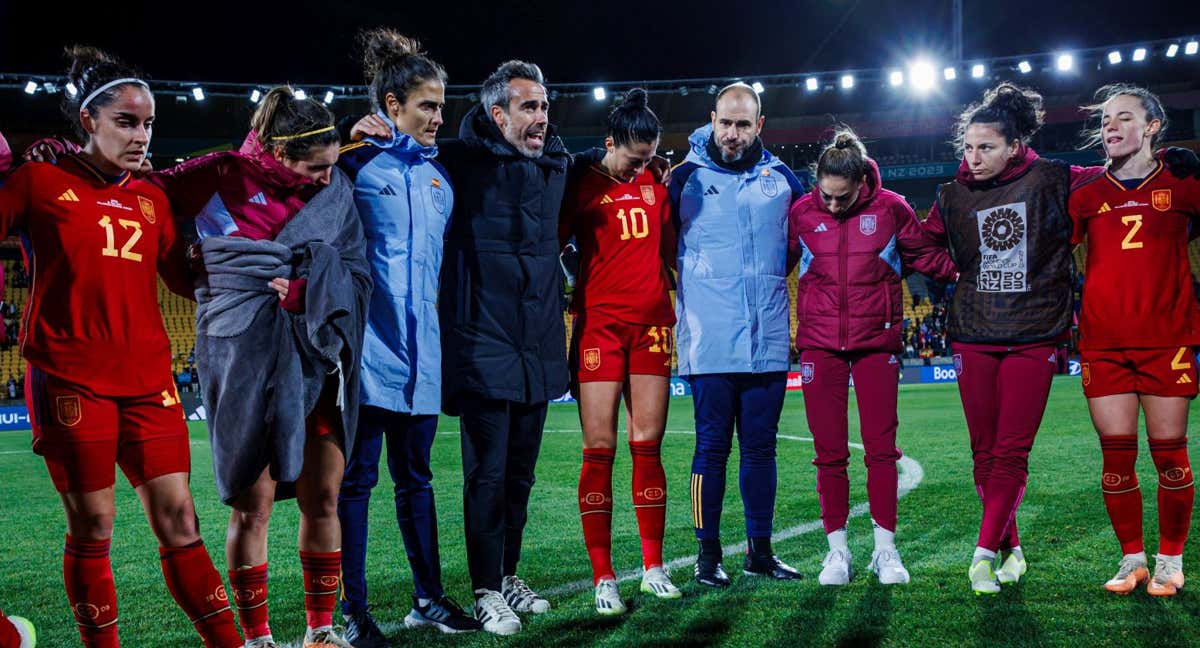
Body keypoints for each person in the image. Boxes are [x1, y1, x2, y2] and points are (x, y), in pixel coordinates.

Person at [0, 46, 241, 647]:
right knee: (94, 526)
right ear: (89, 120)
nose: (142, 135)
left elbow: (182, 279)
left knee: (181, 520)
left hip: (149, 380)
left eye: (149, 123)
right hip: (70, 377)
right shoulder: (38, 181)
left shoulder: (153, 197)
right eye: (126, 122)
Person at [153, 86, 371, 648]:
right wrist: (185, 266)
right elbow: (138, 202)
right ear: (276, 151)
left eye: (332, 165)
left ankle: (321, 631)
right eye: (314, 166)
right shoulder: (217, 173)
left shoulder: (337, 188)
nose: (326, 178)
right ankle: (257, 638)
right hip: (241, 352)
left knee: (326, 496)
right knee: (255, 505)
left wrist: (313, 291)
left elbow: (356, 271)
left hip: (317, 357)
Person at [923, 83, 1102, 595]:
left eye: (986, 148)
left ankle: (981, 555)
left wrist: (1166, 161)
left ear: (1015, 146)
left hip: (1035, 332)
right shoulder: (952, 195)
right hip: (974, 333)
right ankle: (1012, 550)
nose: (973, 158)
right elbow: (921, 246)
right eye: (968, 148)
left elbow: (1120, 181)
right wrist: (954, 270)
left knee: (1011, 450)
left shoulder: (1057, 178)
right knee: (984, 451)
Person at [334, 28, 480, 643]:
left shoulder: (440, 180)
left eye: (442, 106)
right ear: (392, 105)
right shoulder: (354, 165)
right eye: (427, 105)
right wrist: (346, 137)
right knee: (357, 484)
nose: (439, 117)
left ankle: (428, 598)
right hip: (366, 356)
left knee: (416, 482)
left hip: (423, 358)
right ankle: (351, 610)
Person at [787, 128, 957, 586]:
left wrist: (966, 271)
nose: (833, 205)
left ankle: (885, 550)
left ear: (863, 181)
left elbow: (924, 256)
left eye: (842, 197)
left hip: (875, 343)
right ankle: (836, 553)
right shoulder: (802, 212)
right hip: (819, 345)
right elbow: (773, 264)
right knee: (829, 454)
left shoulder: (892, 209)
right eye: (826, 195)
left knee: (881, 451)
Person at [669, 82, 806, 587]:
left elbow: (798, 246)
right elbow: (661, 250)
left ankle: (760, 552)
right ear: (712, 119)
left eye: (743, 124)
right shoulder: (684, 178)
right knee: (710, 450)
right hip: (709, 342)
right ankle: (707, 558)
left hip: (767, 338)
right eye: (725, 122)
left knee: (762, 450)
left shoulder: (783, 179)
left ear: (759, 126)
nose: (732, 133)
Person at [1068, 84, 1200, 596]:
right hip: (1103, 343)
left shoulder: (1184, 181)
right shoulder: (1085, 193)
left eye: (1123, 118)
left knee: (1170, 454)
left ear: (1151, 127)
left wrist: (1173, 160)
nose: (1110, 126)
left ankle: (1170, 560)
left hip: (1167, 340)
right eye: (1105, 120)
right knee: (1116, 456)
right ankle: (1133, 560)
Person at [560, 88, 680, 615]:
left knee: (647, 443)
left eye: (649, 158)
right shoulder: (581, 184)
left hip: (653, 324)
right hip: (599, 328)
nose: (642, 167)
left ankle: (653, 567)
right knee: (600, 448)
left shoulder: (660, 181)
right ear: (610, 143)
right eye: (634, 158)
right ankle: (603, 575)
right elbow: (553, 244)